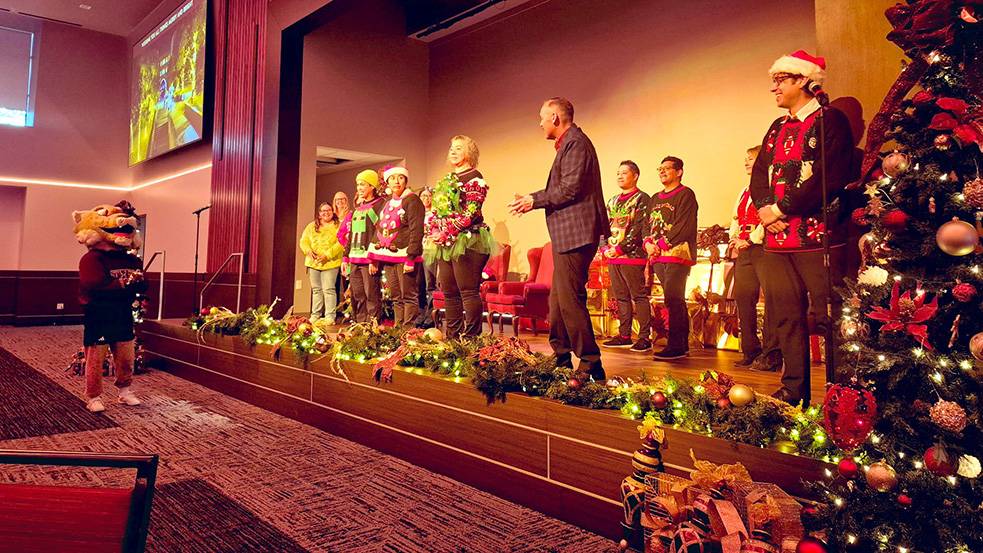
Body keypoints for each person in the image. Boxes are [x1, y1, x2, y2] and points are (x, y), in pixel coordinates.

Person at [750, 50, 853, 406]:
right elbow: (759, 173)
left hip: (816, 238)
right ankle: (794, 390)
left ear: (803, 80)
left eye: (780, 80)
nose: (774, 88)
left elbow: (829, 175)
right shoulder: (776, 127)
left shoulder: (830, 120)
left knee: (829, 317)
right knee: (786, 317)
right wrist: (765, 210)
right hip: (778, 240)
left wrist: (781, 208)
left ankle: (839, 393)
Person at [508, 97, 608, 380]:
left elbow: (570, 188)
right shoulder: (569, 144)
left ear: (554, 117)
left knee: (570, 299)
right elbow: (563, 188)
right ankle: (561, 356)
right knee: (558, 300)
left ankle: (590, 362)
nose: (539, 123)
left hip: (577, 234)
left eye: (542, 117)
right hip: (569, 235)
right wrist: (532, 198)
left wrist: (534, 200)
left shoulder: (576, 143)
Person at [73, 200, 147, 413]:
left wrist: (135, 284)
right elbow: (94, 284)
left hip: (123, 314)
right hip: (99, 315)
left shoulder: (132, 260)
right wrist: (124, 284)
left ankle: (125, 391)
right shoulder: (91, 259)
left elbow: (144, 283)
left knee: (126, 357)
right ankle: (93, 396)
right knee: (95, 358)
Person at [424, 136, 494, 337]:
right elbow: (438, 210)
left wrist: (448, 230)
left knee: (468, 291)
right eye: (451, 148)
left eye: (458, 148)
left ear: (469, 153)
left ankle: (471, 339)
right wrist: (434, 230)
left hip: (468, 239)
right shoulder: (448, 179)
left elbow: (471, 212)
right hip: (446, 241)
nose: (453, 151)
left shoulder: (475, 178)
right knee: (449, 291)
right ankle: (453, 338)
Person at [728, 146, 782, 371]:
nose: (746, 162)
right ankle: (750, 349)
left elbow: (768, 218)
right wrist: (734, 239)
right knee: (743, 297)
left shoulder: (770, 188)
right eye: (746, 159)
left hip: (762, 247)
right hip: (744, 250)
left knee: (771, 299)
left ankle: (771, 353)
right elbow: (735, 217)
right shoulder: (744, 191)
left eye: (751, 159)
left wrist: (750, 239)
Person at [644, 156, 698, 361]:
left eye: (667, 168)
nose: (662, 172)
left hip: (677, 254)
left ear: (679, 172)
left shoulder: (686, 194)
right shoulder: (654, 198)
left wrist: (661, 244)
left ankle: (676, 345)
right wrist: (648, 244)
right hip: (658, 256)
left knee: (674, 298)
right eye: (660, 169)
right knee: (670, 298)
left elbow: (684, 225)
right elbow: (647, 225)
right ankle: (681, 344)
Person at [600, 160, 652, 352]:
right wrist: (604, 248)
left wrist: (620, 249)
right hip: (613, 255)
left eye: (624, 173)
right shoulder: (612, 201)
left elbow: (639, 229)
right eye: (618, 173)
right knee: (620, 296)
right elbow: (602, 226)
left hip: (632, 255)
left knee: (638, 295)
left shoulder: (642, 198)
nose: (620, 176)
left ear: (635, 176)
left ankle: (644, 337)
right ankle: (624, 335)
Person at [369, 167, 425, 326]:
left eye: (400, 177)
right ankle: (398, 328)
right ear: (387, 182)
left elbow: (416, 230)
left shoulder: (412, 200)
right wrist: (374, 257)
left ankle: (408, 330)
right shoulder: (387, 202)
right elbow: (380, 228)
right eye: (392, 178)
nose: (396, 181)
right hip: (388, 256)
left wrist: (411, 257)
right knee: (396, 296)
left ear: (406, 181)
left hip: (405, 255)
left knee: (408, 295)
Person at [342, 169, 386, 323]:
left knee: (371, 295)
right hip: (354, 259)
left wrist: (374, 258)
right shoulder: (359, 207)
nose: (359, 188)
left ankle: (373, 326)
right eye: (358, 185)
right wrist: (345, 258)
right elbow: (351, 234)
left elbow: (379, 232)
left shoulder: (380, 205)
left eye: (363, 184)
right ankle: (361, 326)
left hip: (369, 260)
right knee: (358, 295)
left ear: (372, 186)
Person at [300, 202, 344, 324]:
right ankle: (315, 315)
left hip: (331, 263)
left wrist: (327, 255)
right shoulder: (311, 226)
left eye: (328, 210)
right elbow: (304, 241)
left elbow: (341, 242)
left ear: (332, 212)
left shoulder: (338, 226)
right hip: (313, 263)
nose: (326, 213)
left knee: (329, 289)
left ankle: (330, 316)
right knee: (316, 290)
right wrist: (308, 251)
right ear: (319, 214)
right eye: (323, 211)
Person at [415, 186, 437, 328]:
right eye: (423, 196)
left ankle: (430, 315)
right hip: (418, 250)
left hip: (430, 250)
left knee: (430, 284)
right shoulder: (417, 213)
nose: (426, 198)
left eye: (428, 196)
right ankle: (420, 314)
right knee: (418, 284)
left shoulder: (435, 214)